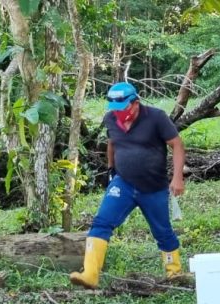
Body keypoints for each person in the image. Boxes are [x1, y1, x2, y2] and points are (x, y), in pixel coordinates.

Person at [69, 82, 187, 289]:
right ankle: (90, 274)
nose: (119, 113)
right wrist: (111, 169)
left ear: (135, 103)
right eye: (115, 109)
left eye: (123, 108)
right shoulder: (110, 119)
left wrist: (177, 178)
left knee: (163, 231)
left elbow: (177, 144)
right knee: (101, 223)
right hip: (123, 183)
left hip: (153, 186)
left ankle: (174, 273)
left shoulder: (156, 117)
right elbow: (112, 142)